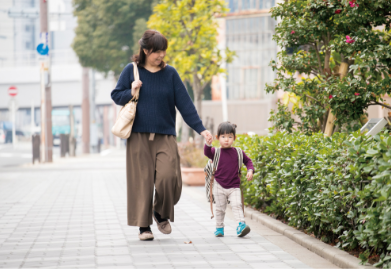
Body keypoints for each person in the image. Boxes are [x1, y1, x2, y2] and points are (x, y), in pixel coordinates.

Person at [111, 30, 213, 241]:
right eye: (157, 52)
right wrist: (131, 91)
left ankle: (159, 211)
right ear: (146, 50)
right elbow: (116, 96)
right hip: (138, 136)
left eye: (164, 51)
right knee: (142, 182)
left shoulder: (170, 74)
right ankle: (143, 226)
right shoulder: (132, 71)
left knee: (169, 178)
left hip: (165, 136)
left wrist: (201, 129)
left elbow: (185, 105)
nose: (161, 56)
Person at [204, 122, 254, 237]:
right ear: (217, 137)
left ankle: (241, 225)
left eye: (230, 137)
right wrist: (208, 144)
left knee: (237, 205)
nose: (226, 140)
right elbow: (207, 153)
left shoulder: (238, 152)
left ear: (234, 138)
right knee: (220, 209)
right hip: (219, 185)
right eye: (223, 137)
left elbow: (248, 161)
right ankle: (219, 228)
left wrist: (250, 170)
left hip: (234, 186)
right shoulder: (216, 152)